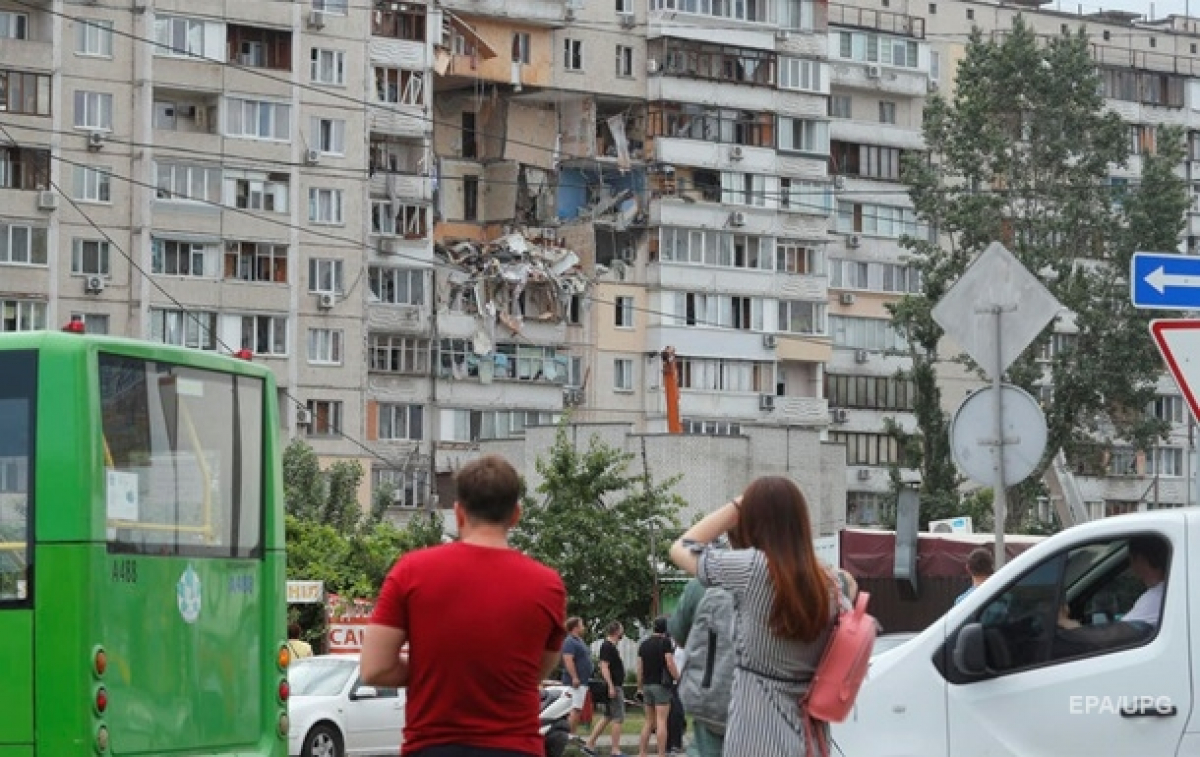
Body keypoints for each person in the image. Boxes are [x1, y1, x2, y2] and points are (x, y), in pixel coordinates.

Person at [361, 455, 567, 757]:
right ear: (516, 515)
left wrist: (436, 670)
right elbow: (535, 671)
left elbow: (374, 669)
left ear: (458, 513)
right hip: (516, 748)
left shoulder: (411, 571)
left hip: (432, 747)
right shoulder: (548, 586)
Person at [668, 478, 837, 757]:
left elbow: (682, 547)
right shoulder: (829, 584)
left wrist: (736, 506)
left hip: (756, 738)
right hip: (809, 740)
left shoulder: (754, 569)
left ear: (752, 521)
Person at [636, 616, 679, 757]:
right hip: (661, 685)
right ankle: (661, 754)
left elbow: (640, 668)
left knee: (649, 722)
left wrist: (639, 687)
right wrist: (678, 678)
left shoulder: (644, 644)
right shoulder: (665, 642)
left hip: (647, 686)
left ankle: (642, 753)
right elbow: (670, 663)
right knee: (661, 721)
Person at [586, 621, 627, 757]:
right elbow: (604, 667)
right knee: (618, 718)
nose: (622, 633)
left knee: (607, 716)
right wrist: (610, 686)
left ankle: (590, 744)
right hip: (614, 686)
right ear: (616, 632)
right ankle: (615, 750)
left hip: (614, 685)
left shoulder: (610, 646)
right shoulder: (607, 647)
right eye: (621, 630)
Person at [561, 617, 594, 734]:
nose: (583, 627)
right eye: (582, 625)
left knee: (578, 709)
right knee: (574, 709)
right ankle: (569, 735)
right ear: (575, 628)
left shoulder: (579, 641)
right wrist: (574, 677)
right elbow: (568, 659)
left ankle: (572, 733)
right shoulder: (569, 641)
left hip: (583, 681)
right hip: (574, 682)